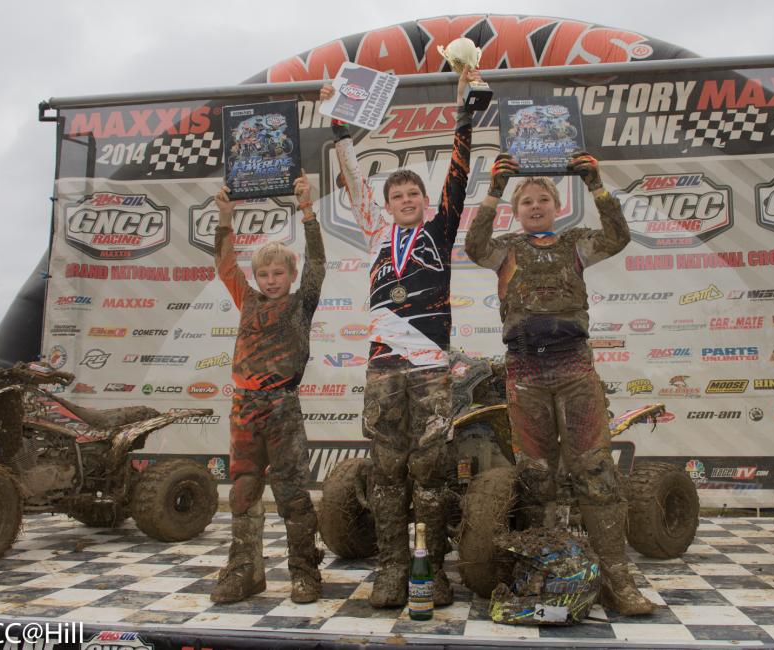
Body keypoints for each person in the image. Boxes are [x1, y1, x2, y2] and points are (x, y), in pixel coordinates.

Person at [464, 152, 657, 616]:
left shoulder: (575, 243)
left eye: (542, 199)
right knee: (535, 477)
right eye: (526, 201)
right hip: (525, 372)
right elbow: (473, 245)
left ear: (556, 206)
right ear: (517, 210)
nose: (534, 206)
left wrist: (597, 185)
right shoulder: (505, 249)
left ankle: (617, 579)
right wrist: (492, 191)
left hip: (574, 371)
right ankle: (542, 574)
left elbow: (618, 236)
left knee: (595, 471)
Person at [320, 68, 480, 608]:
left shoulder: (440, 228)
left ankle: (430, 569)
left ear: (425, 200)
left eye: (414, 192)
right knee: (386, 470)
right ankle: (390, 569)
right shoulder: (375, 231)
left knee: (431, 471)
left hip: (431, 365)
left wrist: (464, 113)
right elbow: (352, 178)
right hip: (385, 365)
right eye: (398, 194)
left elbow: (459, 175)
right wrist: (339, 125)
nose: (406, 198)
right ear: (386, 204)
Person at [209, 174, 326, 605]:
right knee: (242, 489)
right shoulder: (248, 299)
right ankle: (245, 571)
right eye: (264, 273)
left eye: (279, 272)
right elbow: (224, 265)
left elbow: (318, 265)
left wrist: (307, 212)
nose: (271, 279)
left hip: (282, 407)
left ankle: (304, 572)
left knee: (292, 491)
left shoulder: (300, 303)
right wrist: (225, 216)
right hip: (244, 408)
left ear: (291, 275)